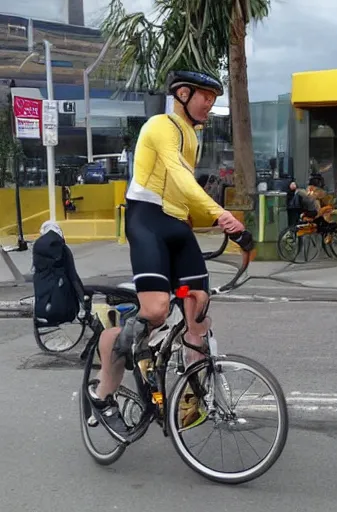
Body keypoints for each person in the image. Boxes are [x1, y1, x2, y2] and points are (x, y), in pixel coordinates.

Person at [87, 69, 249, 441]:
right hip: (147, 221)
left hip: (177, 226)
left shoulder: (191, 134)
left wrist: (219, 225)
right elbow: (178, 178)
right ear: (182, 93)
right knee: (157, 311)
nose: (210, 102)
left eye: (213, 96)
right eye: (204, 95)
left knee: (199, 308)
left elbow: (183, 194)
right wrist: (222, 215)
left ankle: (189, 400)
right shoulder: (161, 125)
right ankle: (102, 394)